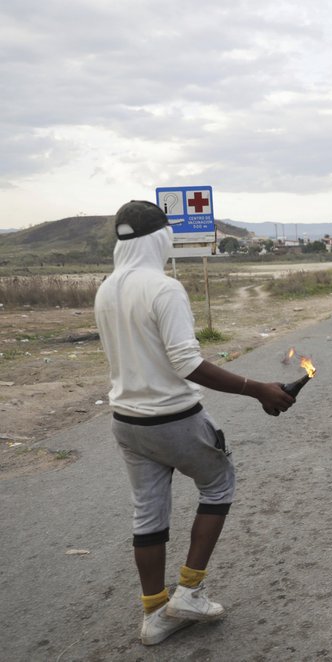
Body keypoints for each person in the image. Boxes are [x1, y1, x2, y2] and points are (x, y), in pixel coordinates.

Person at [94, 201, 295, 646]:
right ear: (160, 238)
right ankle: (190, 591)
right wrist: (257, 388)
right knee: (218, 484)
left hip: (126, 422)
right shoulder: (164, 289)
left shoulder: (106, 289)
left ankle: (153, 613)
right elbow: (187, 361)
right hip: (174, 419)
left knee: (148, 511)